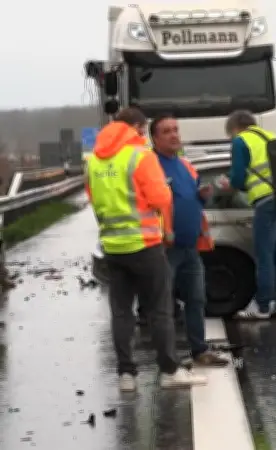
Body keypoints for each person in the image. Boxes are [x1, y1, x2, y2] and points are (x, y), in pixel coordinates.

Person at [85, 107, 206, 391]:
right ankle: (169, 370)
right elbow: (161, 197)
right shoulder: (140, 155)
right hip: (145, 244)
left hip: (113, 246)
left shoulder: (94, 161)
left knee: (121, 312)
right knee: (159, 310)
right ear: (138, 128)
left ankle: (126, 375)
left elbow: (93, 198)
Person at [150, 114, 229, 367]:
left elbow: (191, 197)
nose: (174, 135)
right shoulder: (150, 165)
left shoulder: (184, 165)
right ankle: (168, 357)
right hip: (164, 247)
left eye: (176, 130)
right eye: (166, 131)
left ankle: (199, 350)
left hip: (190, 245)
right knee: (164, 305)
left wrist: (203, 194)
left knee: (196, 299)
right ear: (154, 138)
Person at [218, 110, 276, 320]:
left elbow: (239, 177)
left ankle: (262, 307)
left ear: (234, 128)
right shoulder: (272, 138)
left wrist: (229, 185)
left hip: (265, 201)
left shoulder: (241, 142)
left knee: (265, 256)